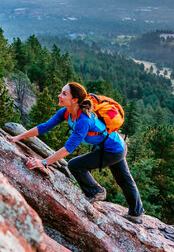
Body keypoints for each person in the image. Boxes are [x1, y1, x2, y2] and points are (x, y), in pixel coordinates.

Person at [8, 82, 144, 224]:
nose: (59, 95)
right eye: (61, 92)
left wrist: (43, 162)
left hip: (114, 150)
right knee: (124, 178)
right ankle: (136, 213)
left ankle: (97, 192)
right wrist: (18, 137)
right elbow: (44, 127)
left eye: (64, 94)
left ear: (75, 100)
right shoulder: (66, 112)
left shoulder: (83, 120)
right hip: (109, 146)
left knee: (76, 165)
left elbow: (68, 149)